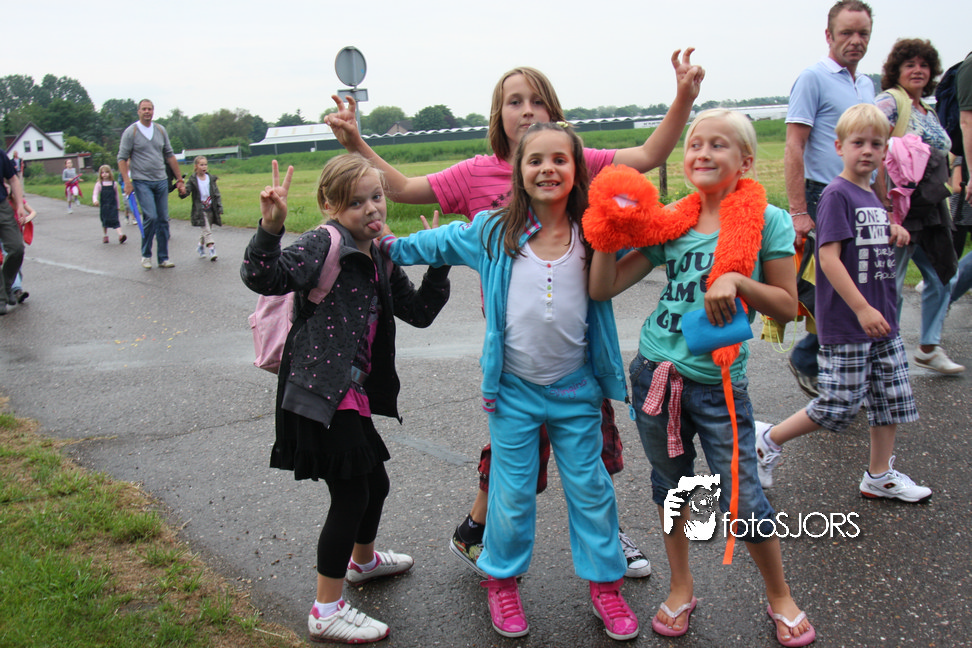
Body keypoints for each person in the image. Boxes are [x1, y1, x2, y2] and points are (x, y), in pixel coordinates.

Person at [326, 50, 704, 579]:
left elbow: (649, 153)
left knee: (595, 449)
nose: (527, 110)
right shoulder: (476, 173)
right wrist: (356, 144)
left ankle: (603, 535)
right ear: (497, 115)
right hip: (514, 348)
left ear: (556, 113)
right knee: (514, 460)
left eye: (537, 100)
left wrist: (684, 97)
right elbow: (407, 190)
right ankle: (484, 535)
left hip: (575, 345)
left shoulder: (574, 159)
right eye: (514, 101)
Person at [379, 123, 639, 641]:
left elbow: (657, 231)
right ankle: (500, 580)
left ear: (578, 169)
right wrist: (384, 242)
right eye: (535, 160)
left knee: (591, 491)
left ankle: (606, 586)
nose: (548, 169)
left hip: (576, 390)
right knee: (511, 493)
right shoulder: (493, 231)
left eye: (560, 159)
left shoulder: (593, 231)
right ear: (519, 173)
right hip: (514, 393)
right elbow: (432, 242)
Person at [588, 109, 814, 646]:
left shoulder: (769, 220)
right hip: (654, 373)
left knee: (744, 497)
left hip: (719, 384)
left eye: (718, 144)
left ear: (746, 162)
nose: (703, 153)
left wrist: (738, 280)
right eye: (695, 144)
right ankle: (681, 587)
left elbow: (787, 307)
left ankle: (780, 594)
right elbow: (603, 288)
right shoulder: (673, 220)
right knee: (671, 488)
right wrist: (604, 231)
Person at [241, 155, 451, 644]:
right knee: (352, 493)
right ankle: (326, 609)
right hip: (318, 389)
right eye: (356, 203)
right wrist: (270, 229)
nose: (371, 209)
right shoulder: (324, 243)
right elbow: (263, 278)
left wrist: (439, 262)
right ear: (330, 205)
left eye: (376, 197)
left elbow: (419, 311)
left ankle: (363, 562)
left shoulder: (380, 253)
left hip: (348, 390)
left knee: (374, 484)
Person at [756, 104, 932, 511]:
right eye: (858, 143)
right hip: (851, 321)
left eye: (876, 144)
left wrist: (891, 227)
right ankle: (767, 440)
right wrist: (862, 308)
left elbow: (864, 237)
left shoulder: (870, 195)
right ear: (839, 147)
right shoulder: (837, 194)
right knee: (838, 405)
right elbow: (829, 258)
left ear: (885, 150)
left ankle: (879, 475)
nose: (867, 150)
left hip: (881, 319)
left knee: (889, 399)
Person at [785, 0, 875, 397]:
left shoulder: (866, 85)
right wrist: (798, 210)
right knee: (831, 284)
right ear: (829, 35)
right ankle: (809, 357)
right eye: (846, 33)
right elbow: (794, 145)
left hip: (859, 195)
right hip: (823, 194)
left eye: (863, 34)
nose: (855, 41)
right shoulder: (813, 78)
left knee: (857, 283)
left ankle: (840, 369)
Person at [872, 38, 963, 375]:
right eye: (909, 65)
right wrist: (883, 203)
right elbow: (873, 148)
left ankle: (928, 347)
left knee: (944, 274)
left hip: (931, 208)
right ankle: (888, 354)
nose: (918, 70)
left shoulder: (929, 109)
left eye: (924, 65)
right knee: (892, 283)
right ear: (896, 70)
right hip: (900, 208)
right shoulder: (890, 103)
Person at [117, 99, 186, 269]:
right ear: (139, 111)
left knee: (163, 219)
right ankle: (146, 255)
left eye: (150, 109)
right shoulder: (131, 132)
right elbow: (122, 158)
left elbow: (169, 155)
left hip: (161, 180)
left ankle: (163, 257)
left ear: (153, 111)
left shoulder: (160, 130)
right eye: (144, 109)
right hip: (142, 181)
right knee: (151, 217)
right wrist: (127, 182)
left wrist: (179, 179)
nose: (147, 112)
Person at [180, 156, 222, 261]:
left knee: (207, 230)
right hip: (200, 209)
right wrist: (182, 191)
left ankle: (200, 246)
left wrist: (219, 207)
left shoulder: (210, 179)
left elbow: (216, 194)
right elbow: (186, 192)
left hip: (210, 208)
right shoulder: (193, 180)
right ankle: (212, 249)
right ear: (196, 166)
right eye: (201, 165)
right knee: (207, 230)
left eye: (205, 164)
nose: (204, 167)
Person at [0, 149, 25, 316]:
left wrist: (20, 205)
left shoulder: (0, 155)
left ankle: (7, 285)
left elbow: (13, 179)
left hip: (2, 206)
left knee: (17, 248)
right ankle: (1, 298)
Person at [92, 165, 127, 245]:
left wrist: (118, 205)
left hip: (113, 205)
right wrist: (95, 200)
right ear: (100, 174)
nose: (104, 174)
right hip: (104, 206)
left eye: (106, 172)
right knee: (105, 220)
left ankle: (120, 235)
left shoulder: (114, 184)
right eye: (102, 173)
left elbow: (116, 195)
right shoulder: (99, 184)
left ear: (110, 173)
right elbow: (95, 193)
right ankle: (105, 235)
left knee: (115, 220)